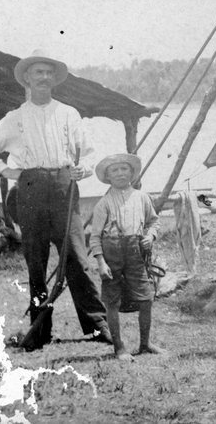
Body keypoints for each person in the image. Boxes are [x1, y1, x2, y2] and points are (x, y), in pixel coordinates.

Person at [0, 50, 111, 348]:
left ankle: (97, 325)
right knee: (36, 260)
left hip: (64, 186)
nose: (44, 78)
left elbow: (88, 152)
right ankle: (39, 330)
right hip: (31, 187)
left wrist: (82, 168)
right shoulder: (14, 119)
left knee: (76, 255)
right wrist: (7, 170)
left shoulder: (68, 113)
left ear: (54, 79)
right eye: (38, 73)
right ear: (27, 79)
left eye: (49, 73)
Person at [88, 153, 162, 361]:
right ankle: (119, 347)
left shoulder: (142, 197)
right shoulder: (103, 203)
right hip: (111, 254)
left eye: (124, 169)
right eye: (115, 170)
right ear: (108, 176)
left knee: (146, 298)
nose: (120, 174)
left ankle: (145, 343)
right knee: (112, 301)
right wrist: (101, 262)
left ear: (132, 173)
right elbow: (94, 238)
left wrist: (150, 236)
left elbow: (154, 222)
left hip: (135, 252)